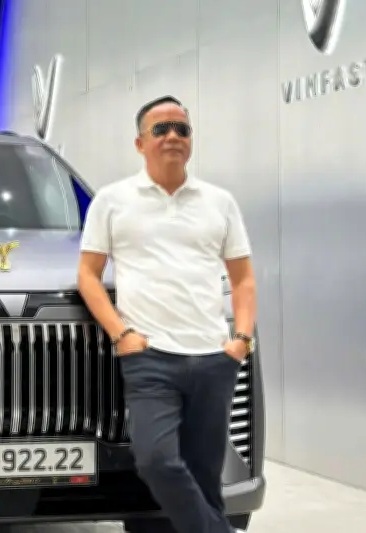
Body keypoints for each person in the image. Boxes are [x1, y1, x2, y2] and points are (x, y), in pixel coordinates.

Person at [77, 95, 257, 533]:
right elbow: (88, 275)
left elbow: (243, 280)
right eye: (161, 129)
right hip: (150, 358)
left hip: (213, 359)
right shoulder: (112, 200)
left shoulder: (219, 202)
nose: (173, 136)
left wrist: (240, 341)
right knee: (157, 462)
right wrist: (122, 334)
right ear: (140, 143)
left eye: (182, 128)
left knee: (205, 478)